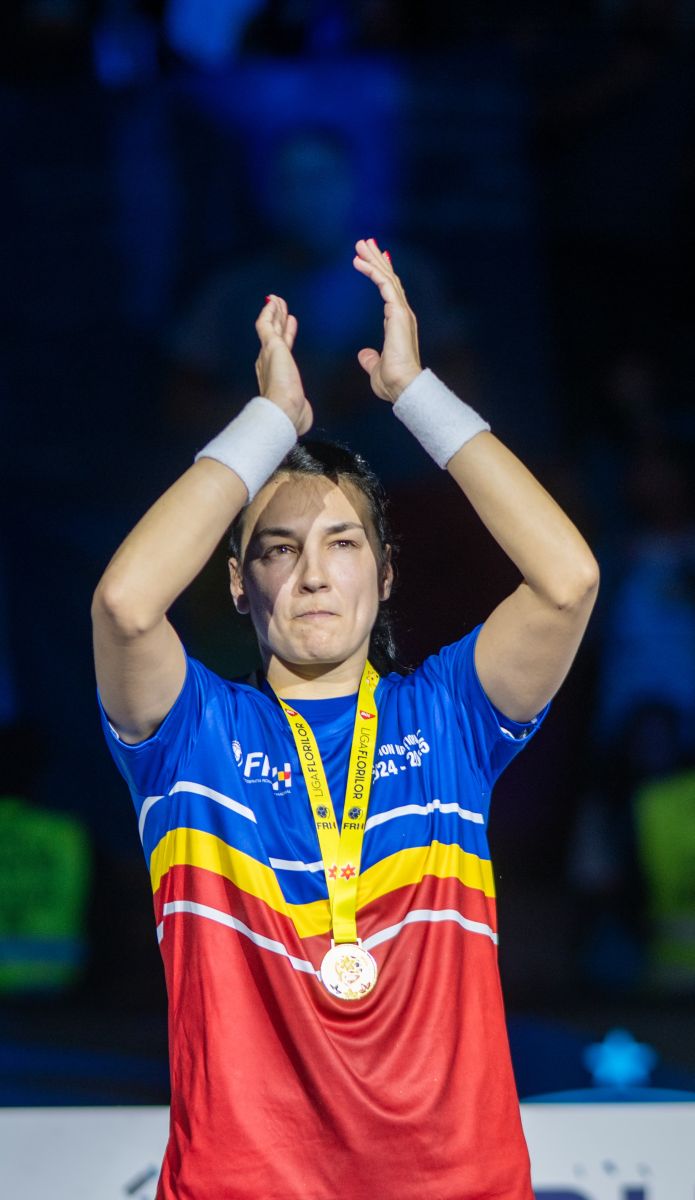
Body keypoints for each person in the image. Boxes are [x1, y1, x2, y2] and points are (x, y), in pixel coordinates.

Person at [92, 238, 599, 1200]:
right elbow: (124, 604)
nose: (314, 574)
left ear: (386, 572)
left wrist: (415, 395)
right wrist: (267, 423)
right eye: (279, 550)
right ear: (238, 583)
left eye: (343, 543)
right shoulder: (189, 736)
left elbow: (567, 580)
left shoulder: (449, 716)